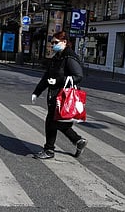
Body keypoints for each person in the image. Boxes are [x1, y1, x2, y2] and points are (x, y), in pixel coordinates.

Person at [31, 31, 87, 159]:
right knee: (58, 122)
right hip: (55, 96)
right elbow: (47, 76)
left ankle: (49, 150)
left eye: (56, 42)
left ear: (65, 42)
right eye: (52, 43)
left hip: (63, 97)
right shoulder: (57, 57)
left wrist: (58, 81)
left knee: (52, 121)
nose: (53, 45)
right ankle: (78, 141)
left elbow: (78, 76)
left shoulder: (69, 57)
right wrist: (37, 92)